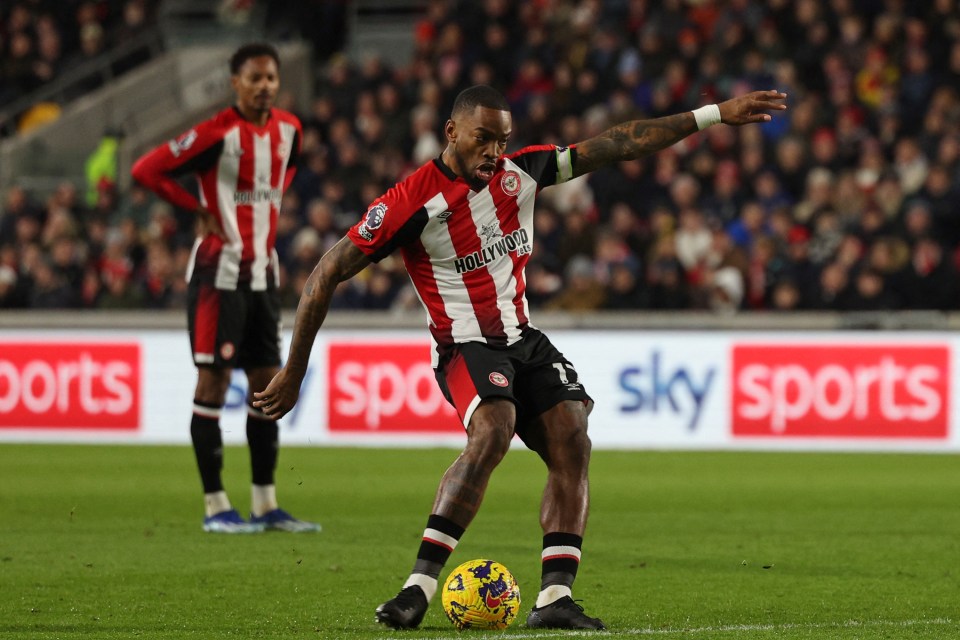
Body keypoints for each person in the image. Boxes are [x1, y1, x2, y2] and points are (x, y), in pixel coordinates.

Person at [253, 85, 787, 627]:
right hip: (464, 345)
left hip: (522, 338)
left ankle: (554, 599)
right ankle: (417, 588)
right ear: (451, 132)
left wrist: (714, 114)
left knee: (573, 436)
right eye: (483, 139)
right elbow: (325, 274)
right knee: (494, 426)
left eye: (502, 140)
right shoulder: (410, 202)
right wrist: (294, 372)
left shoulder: (521, 174)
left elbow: (618, 144)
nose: (493, 151)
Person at [131, 43, 319, 534]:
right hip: (218, 273)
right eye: (254, 78)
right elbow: (145, 169)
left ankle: (265, 505)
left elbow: (287, 170)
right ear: (235, 82)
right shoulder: (216, 133)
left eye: (271, 78)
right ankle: (216, 506)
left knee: (265, 387)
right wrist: (195, 207)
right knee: (212, 383)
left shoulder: (289, 130)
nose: (264, 86)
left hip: (263, 274)